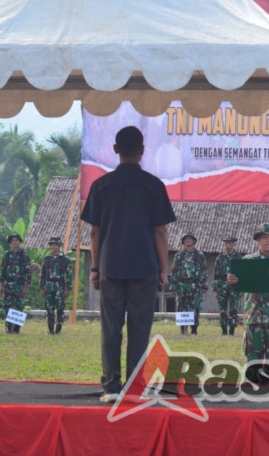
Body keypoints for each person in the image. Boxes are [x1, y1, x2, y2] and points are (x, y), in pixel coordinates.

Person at [80, 125, 177, 403]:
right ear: (142, 151)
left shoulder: (100, 186)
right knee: (139, 327)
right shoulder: (154, 186)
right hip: (144, 268)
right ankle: (135, 387)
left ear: (115, 150)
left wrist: (96, 267)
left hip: (110, 266)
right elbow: (160, 232)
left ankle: (111, 387)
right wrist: (163, 269)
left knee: (111, 328)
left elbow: (94, 232)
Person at [227, 223, 269, 384]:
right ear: (258, 240)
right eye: (264, 237)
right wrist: (232, 280)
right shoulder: (247, 261)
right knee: (252, 350)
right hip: (254, 313)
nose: (268, 241)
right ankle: (252, 380)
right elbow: (238, 284)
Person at [169, 233, 208, 335]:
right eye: (185, 239)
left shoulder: (200, 255)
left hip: (195, 285)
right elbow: (173, 271)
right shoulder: (178, 255)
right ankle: (183, 330)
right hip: (182, 285)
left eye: (190, 239)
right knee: (181, 307)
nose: (187, 241)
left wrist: (203, 286)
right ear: (183, 242)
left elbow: (204, 271)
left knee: (195, 307)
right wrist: (173, 286)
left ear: (194, 241)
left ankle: (194, 329)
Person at [0, 233, 31, 334]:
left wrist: (26, 286)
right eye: (12, 240)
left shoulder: (24, 255)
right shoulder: (6, 255)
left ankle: (16, 329)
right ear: (10, 242)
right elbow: (2, 271)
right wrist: (1, 285)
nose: (15, 242)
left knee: (18, 306)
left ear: (19, 242)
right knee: (8, 305)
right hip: (8, 283)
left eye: (16, 240)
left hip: (19, 284)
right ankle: (9, 328)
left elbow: (28, 272)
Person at [40, 236, 72, 335]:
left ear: (59, 246)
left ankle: (58, 329)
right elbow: (43, 275)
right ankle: (50, 330)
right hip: (49, 286)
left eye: (55, 245)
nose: (53, 247)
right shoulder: (47, 259)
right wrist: (42, 287)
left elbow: (69, 275)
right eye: (52, 245)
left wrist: (67, 289)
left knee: (60, 308)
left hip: (60, 286)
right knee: (49, 309)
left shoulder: (65, 259)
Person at [213, 235, 242, 336]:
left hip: (235, 286)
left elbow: (242, 275)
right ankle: (224, 330)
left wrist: (241, 289)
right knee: (222, 309)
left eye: (230, 243)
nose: (228, 245)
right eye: (226, 243)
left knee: (234, 309)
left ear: (233, 244)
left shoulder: (239, 258)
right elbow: (216, 275)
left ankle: (232, 330)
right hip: (222, 286)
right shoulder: (220, 258)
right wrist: (216, 290)